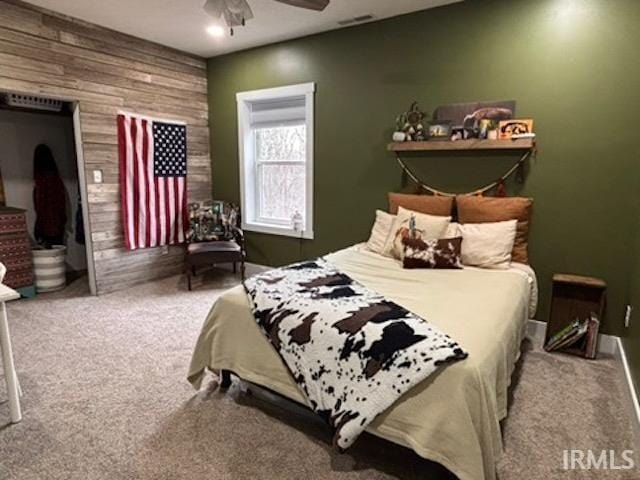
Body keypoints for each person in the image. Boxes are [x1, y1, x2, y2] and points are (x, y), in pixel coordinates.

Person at [33, 144, 67, 247]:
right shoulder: (56, 179)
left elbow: (40, 205)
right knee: (57, 253)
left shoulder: (41, 181)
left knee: (47, 254)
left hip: (45, 224)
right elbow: (61, 201)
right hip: (57, 222)